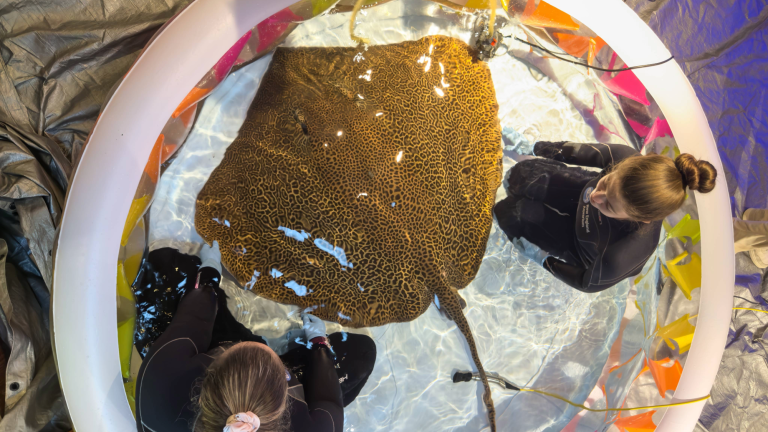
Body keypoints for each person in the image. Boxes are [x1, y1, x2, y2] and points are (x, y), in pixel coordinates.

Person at [135, 242, 377, 432]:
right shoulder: (312, 427)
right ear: (286, 400)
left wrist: (209, 275)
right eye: (281, 372)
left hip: (202, 363)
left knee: (162, 266)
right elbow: (330, 404)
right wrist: (319, 343)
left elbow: (194, 319)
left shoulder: (161, 383)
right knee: (362, 352)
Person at [494, 130, 717, 293]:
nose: (595, 197)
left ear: (641, 219)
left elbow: (585, 283)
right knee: (519, 176)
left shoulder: (624, 254)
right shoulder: (625, 156)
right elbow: (573, 152)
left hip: (580, 245)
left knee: (509, 214)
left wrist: (542, 259)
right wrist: (533, 147)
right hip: (577, 192)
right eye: (607, 182)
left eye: (609, 205)